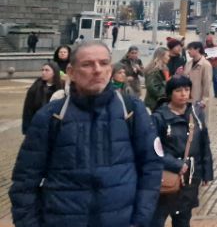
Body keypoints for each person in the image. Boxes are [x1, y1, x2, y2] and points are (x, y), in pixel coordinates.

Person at [10, 40, 162, 227]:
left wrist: (140, 220)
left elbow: (151, 168)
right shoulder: (51, 116)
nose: (97, 70)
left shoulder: (132, 110)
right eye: (87, 64)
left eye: (104, 63)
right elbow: (25, 181)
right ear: (71, 72)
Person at [150, 75, 213, 227]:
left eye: (186, 89)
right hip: (167, 178)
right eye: (178, 90)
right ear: (170, 93)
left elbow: (204, 144)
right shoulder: (159, 118)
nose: (184, 94)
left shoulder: (196, 113)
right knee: (157, 219)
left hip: (190, 178)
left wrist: (207, 172)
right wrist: (175, 164)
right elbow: (152, 150)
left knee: (183, 219)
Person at [21, 61, 62, 134]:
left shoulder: (61, 87)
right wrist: (27, 128)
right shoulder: (35, 87)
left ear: (54, 72)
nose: (43, 72)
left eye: (47, 70)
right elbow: (28, 109)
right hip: (39, 124)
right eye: (42, 70)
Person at [184, 41, 213, 111]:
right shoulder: (188, 64)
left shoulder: (205, 65)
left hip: (199, 101)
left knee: (198, 117)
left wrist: (204, 100)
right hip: (187, 99)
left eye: (190, 49)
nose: (188, 51)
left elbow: (207, 84)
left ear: (197, 49)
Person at [144, 46, 170, 112]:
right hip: (154, 104)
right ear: (161, 56)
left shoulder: (164, 68)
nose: (169, 58)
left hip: (161, 102)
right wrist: (168, 85)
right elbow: (153, 89)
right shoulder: (153, 70)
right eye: (168, 56)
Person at [204, 34, 217, 98]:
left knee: (215, 80)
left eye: (210, 41)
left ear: (212, 41)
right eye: (208, 42)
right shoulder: (205, 48)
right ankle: (206, 94)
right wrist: (208, 57)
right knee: (206, 81)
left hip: (214, 66)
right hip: (207, 66)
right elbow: (203, 56)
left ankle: (216, 93)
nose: (209, 43)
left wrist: (215, 57)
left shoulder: (216, 47)